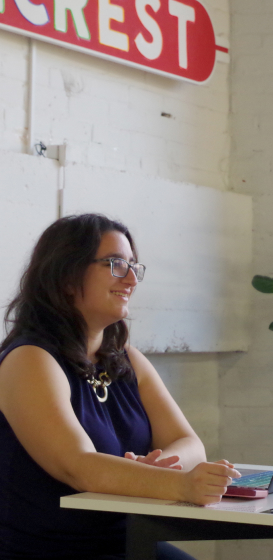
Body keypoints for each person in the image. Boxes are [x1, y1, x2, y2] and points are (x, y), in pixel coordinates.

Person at [0, 214, 241, 559]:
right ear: (67, 276)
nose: (131, 279)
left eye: (132, 266)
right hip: (53, 551)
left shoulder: (126, 357)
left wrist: (151, 470)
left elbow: (191, 445)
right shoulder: (29, 360)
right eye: (115, 264)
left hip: (129, 541)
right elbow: (79, 466)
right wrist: (179, 484)